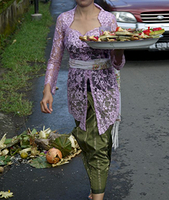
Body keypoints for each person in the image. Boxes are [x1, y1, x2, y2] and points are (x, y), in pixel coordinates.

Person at [40, 0, 125, 199]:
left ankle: (97, 195)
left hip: (105, 89)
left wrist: (120, 49)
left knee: (97, 143)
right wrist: (47, 89)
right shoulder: (64, 19)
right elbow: (55, 58)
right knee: (91, 142)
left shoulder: (108, 19)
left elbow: (118, 64)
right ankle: (97, 184)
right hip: (77, 92)